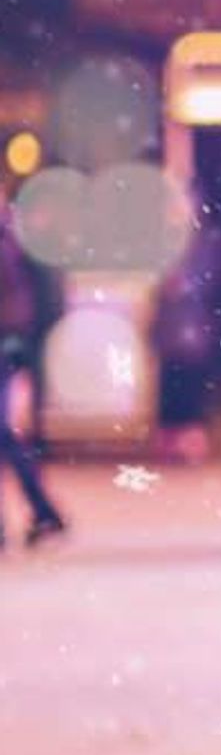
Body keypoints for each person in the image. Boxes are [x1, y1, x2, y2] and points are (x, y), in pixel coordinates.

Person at [0, 194, 66, 548]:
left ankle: (44, 512)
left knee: (5, 435)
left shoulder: (13, 242)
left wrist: (18, 350)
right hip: (14, 346)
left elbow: (19, 304)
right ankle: (43, 512)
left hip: (8, 347)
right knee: (5, 437)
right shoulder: (16, 240)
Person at [150, 201, 221, 464]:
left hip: (192, 322)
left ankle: (190, 437)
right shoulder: (163, 241)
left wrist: (185, 285)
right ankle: (170, 437)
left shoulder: (203, 240)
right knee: (170, 380)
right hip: (170, 324)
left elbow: (207, 275)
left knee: (191, 379)